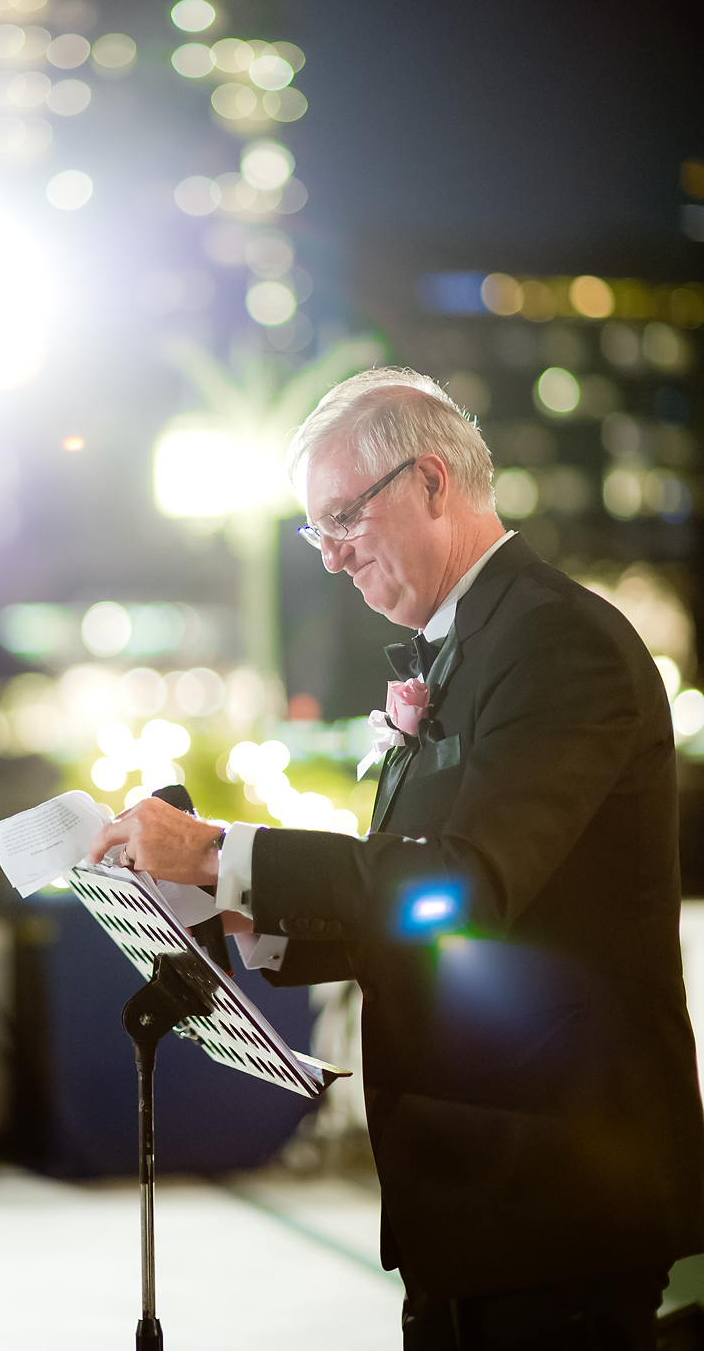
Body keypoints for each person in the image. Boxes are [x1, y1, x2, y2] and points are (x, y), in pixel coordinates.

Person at [90, 367, 704, 1349]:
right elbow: (419, 904)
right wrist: (239, 911)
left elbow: (462, 888)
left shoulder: (557, 644)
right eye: (314, 532)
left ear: (429, 482)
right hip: (476, 1186)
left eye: (342, 517)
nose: (331, 557)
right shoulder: (467, 646)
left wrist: (218, 850)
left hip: (559, 1186)